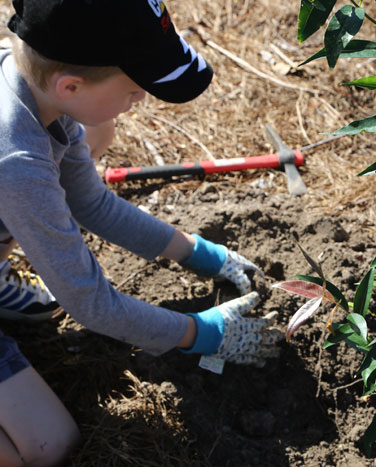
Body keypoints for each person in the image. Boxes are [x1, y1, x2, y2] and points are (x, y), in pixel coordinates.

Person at [0, 0, 284, 465]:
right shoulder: (17, 165)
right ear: (70, 84)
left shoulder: (34, 86)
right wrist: (200, 333)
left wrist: (197, 252)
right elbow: (90, 304)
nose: (141, 100)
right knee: (46, 447)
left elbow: (90, 202)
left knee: (96, 134)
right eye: (135, 88)